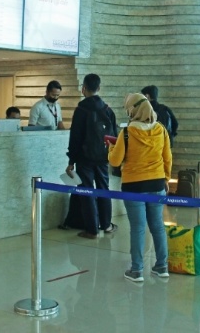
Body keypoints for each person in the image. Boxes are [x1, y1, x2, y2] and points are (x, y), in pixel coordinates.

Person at [108, 92, 172, 282]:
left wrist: (110, 149)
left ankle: (136, 270)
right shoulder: (160, 129)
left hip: (133, 185)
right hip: (157, 183)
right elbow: (167, 157)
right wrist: (166, 179)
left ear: (133, 109)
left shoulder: (127, 132)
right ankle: (161, 266)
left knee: (137, 228)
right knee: (158, 226)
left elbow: (115, 160)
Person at [66, 73, 118, 239]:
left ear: (84, 88)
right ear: (99, 88)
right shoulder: (108, 109)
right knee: (104, 189)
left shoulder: (81, 109)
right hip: (103, 157)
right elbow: (114, 136)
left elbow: (75, 137)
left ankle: (92, 230)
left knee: (87, 191)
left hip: (84, 158)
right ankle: (107, 225)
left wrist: (71, 160)